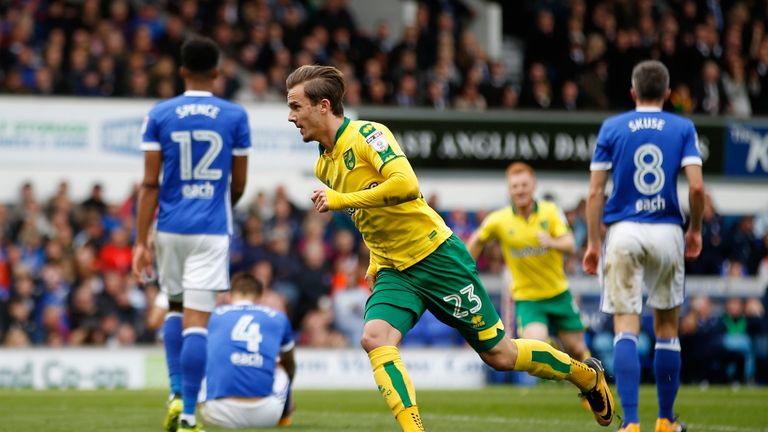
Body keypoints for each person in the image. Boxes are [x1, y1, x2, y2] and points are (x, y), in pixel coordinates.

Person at [286, 64, 615, 432]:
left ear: (324, 106)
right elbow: (371, 218)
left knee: (500, 355)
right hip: (397, 270)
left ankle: (585, 376)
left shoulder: (369, 135)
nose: (291, 116)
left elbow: (406, 185)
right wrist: (376, 261)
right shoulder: (323, 165)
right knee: (374, 337)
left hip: (437, 258)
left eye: (296, 106)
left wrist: (341, 198)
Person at [132, 36, 251, 432]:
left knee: (174, 305)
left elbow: (149, 184)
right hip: (211, 230)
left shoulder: (160, 113)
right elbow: (238, 185)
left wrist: (139, 240)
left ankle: (175, 392)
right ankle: (186, 415)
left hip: (168, 227)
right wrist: (219, 206)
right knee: (198, 320)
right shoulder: (235, 116)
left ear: (181, 71)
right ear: (217, 72)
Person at [582, 60, 705, 432]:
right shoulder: (682, 126)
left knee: (625, 327)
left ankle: (631, 423)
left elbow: (594, 192)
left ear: (633, 93)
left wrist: (592, 242)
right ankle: (666, 421)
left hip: (623, 231)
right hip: (667, 228)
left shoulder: (612, 127)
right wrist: (695, 229)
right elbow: (697, 188)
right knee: (667, 327)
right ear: (668, 95)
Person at [467, 162, 590, 362]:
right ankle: (554, 351)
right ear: (509, 190)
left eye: (524, 185)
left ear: (533, 186)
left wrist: (552, 242)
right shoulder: (499, 219)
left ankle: (591, 388)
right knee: (537, 348)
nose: (520, 190)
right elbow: (477, 239)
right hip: (528, 298)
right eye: (515, 186)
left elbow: (570, 244)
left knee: (577, 350)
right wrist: (465, 269)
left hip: (558, 293)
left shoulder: (550, 211)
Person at [199, 272, 295, 428]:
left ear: (230, 295)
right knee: (282, 366)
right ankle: (285, 416)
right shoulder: (278, 317)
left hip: (217, 414)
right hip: (266, 416)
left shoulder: (213, 315)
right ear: (260, 297)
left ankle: (187, 411)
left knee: (200, 356)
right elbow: (290, 363)